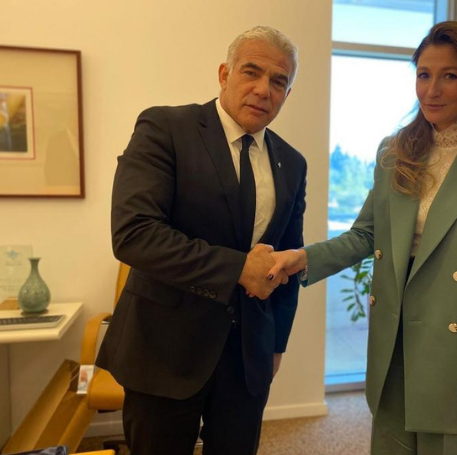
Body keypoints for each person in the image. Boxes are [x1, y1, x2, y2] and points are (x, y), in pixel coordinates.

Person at [269, 21, 457, 455]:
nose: (432, 90)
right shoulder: (395, 152)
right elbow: (365, 234)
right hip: (393, 342)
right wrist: (301, 258)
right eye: (424, 74)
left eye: (449, 76)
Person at [96, 26, 307, 455]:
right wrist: (238, 268)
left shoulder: (292, 162)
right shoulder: (165, 127)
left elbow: (287, 261)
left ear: (287, 93)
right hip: (164, 351)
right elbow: (135, 233)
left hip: (247, 356)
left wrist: (276, 344)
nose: (263, 89)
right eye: (251, 72)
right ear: (224, 74)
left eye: (278, 81)